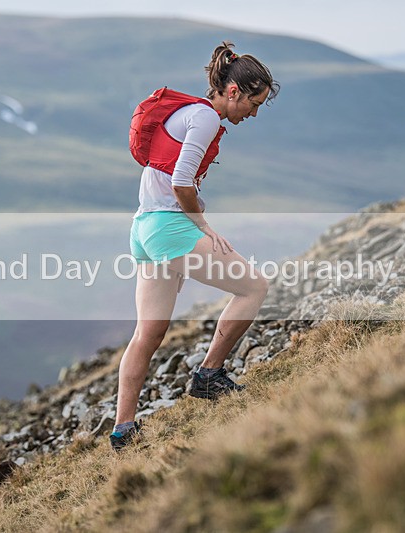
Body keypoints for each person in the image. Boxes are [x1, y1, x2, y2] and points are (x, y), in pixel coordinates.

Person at [111, 41, 279, 451]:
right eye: (253, 103)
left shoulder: (189, 113)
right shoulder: (203, 117)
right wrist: (203, 227)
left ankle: (122, 431)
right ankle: (208, 375)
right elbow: (182, 183)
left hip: (144, 226)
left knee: (147, 334)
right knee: (254, 288)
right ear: (234, 91)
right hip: (169, 227)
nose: (254, 113)